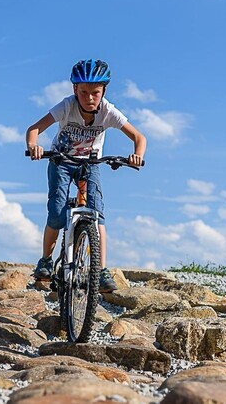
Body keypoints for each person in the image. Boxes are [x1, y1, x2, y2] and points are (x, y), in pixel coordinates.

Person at [26, 59, 147, 292]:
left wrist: (137, 155)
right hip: (61, 161)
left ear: (103, 92)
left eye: (95, 93)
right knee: (57, 212)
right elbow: (34, 129)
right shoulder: (66, 106)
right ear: (74, 90)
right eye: (83, 92)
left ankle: (100, 271)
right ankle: (46, 261)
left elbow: (139, 138)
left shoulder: (108, 111)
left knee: (97, 213)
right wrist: (34, 145)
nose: (89, 98)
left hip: (90, 164)